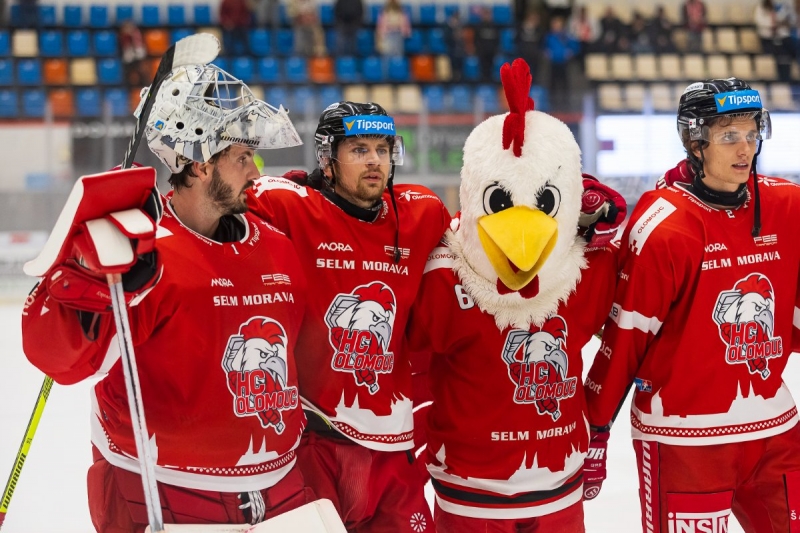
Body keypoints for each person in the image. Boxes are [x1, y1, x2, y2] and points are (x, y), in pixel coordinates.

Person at [21, 63, 315, 531]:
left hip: (280, 488)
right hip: (160, 489)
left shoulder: (276, 246)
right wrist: (85, 279)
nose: (254, 171)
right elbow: (63, 362)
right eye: (243, 157)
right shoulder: (140, 253)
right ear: (201, 165)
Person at [406, 58, 625, 533]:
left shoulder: (586, 270)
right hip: (470, 491)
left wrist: (598, 427)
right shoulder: (443, 276)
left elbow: (645, 308)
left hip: (559, 483)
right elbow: (403, 356)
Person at [583, 78, 800, 533]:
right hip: (685, 440)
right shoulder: (666, 226)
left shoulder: (787, 205)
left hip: (774, 431)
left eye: (751, 133)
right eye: (729, 136)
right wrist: (594, 429)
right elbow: (626, 337)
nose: (745, 148)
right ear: (695, 142)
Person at [247, 101, 451, 532]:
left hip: (392, 443)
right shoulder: (288, 205)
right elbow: (210, 211)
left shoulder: (421, 213)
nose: (375, 160)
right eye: (359, 149)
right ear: (327, 158)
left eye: (382, 149)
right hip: (312, 437)